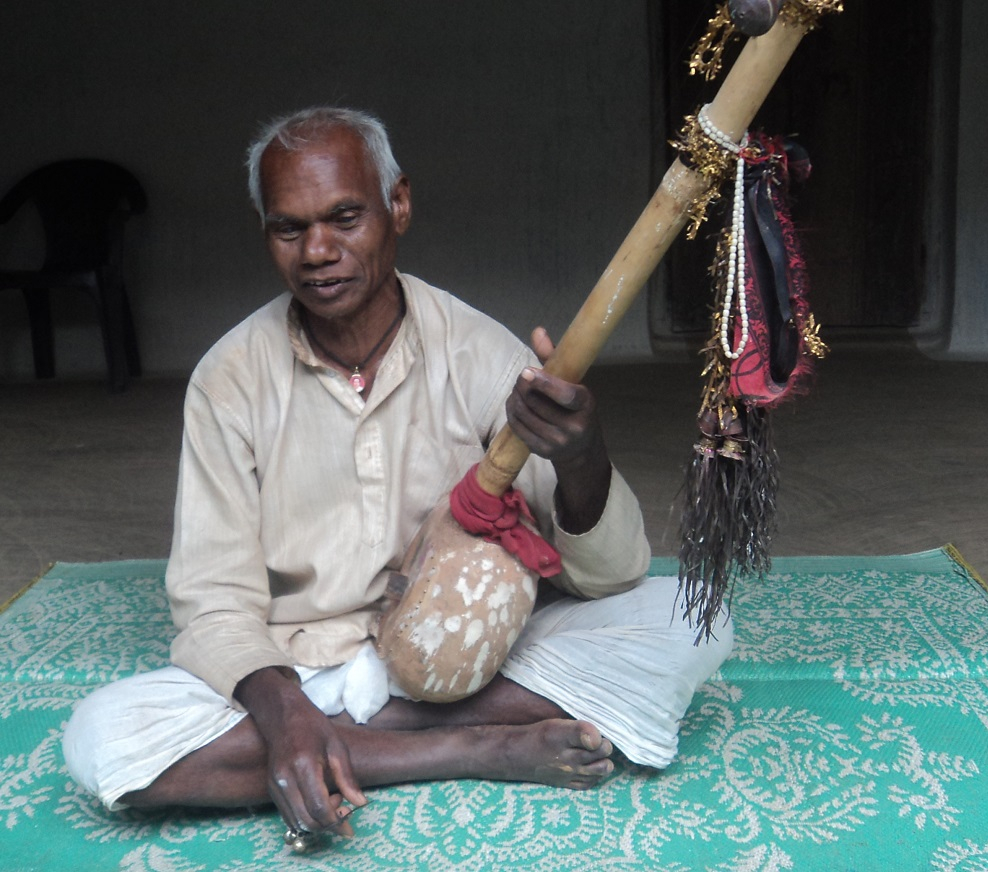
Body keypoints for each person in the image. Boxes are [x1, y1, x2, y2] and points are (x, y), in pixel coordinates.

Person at [62, 107, 733, 841]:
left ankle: (352, 740)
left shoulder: (477, 351)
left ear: (398, 206)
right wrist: (284, 712)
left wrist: (580, 454)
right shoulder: (229, 378)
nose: (318, 250)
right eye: (290, 228)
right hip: (298, 667)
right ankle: (468, 746)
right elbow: (212, 601)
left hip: (470, 656)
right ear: (267, 235)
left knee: (691, 618)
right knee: (100, 740)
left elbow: (609, 576)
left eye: (345, 217)